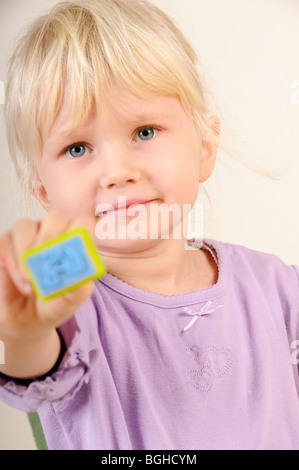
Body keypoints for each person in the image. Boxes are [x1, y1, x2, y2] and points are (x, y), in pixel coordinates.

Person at [0, 0, 299, 451]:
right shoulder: (65, 299)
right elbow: (35, 359)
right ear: (43, 189)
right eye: (78, 148)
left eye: (144, 132)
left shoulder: (277, 286)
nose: (117, 171)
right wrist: (23, 332)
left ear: (204, 146)